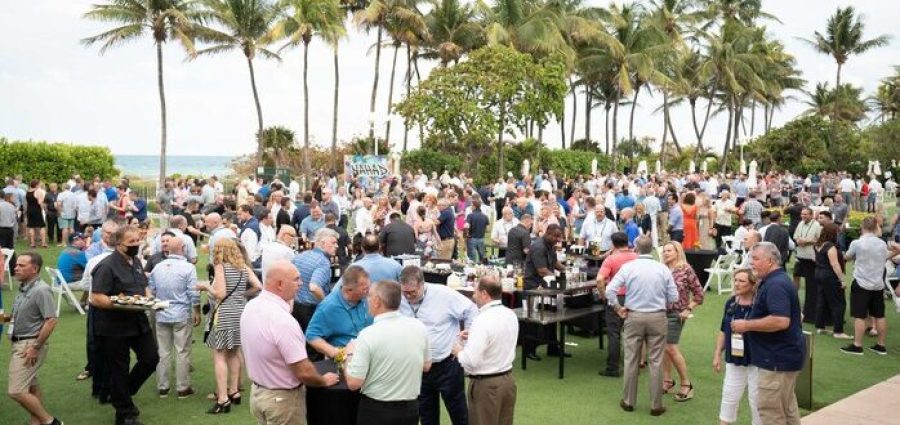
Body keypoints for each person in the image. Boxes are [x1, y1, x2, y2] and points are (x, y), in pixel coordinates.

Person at [240, 260, 340, 425]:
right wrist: (323, 380)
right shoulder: (283, 321)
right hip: (283, 400)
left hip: (259, 393)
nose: (301, 283)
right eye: (296, 279)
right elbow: (304, 371)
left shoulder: (252, 306)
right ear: (280, 284)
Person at [90, 226, 161, 425]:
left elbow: (143, 286)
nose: (136, 245)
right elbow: (96, 298)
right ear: (119, 244)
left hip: (138, 321)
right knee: (118, 368)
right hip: (114, 325)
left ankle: (120, 392)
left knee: (150, 358)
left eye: (138, 241)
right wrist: (120, 302)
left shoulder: (136, 261)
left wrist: (149, 299)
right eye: (131, 243)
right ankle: (125, 413)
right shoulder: (107, 266)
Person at [731, 242, 804, 425]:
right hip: (782, 358)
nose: (751, 263)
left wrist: (746, 325)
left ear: (770, 261)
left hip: (776, 360)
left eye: (755, 258)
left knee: (772, 413)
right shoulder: (774, 281)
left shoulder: (776, 284)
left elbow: (781, 320)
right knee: (787, 410)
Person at [606, 235, 678, 416]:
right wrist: (664, 304)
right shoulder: (662, 269)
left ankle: (629, 401)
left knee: (631, 360)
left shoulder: (628, 267)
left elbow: (609, 290)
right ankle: (656, 405)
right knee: (656, 361)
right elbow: (674, 297)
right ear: (652, 249)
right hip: (657, 316)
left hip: (634, 315)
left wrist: (617, 307)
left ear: (635, 249)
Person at [399, 265, 478, 425]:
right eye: (405, 292)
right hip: (418, 367)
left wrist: (463, 342)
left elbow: (471, 310)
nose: (408, 296)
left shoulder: (443, 294)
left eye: (412, 292)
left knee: (459, 413)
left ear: (422, 284)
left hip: (447, 364)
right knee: (426, 415)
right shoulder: (400, 298)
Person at [345, 280, 431, 425]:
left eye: (369, 296)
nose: (367, 300)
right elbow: (426, 365)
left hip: (377, 410)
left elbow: (354, 383)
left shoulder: (368, 335)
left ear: (377, 301)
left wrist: (349, 354)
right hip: (410, 409)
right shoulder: (419, 327)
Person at [197, 237, 263, 414]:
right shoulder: (243, 267)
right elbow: (259, 286)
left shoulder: (220, 266)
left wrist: (205, 287)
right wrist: (242, 294)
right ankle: (234, 392)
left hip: (224, 313)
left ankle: (223, 399)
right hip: (240, 312)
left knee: (219, 355)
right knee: (233, 353)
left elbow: (220, 293)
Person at [452, 275, 518, 425]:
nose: (473, 296)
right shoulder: (510, 314)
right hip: (507, 381)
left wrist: (457, 351)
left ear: (484, 294)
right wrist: (474, 336)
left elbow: (470, 361)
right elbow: (499, 337)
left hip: (486, 385)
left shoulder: (481, 320)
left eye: (475, 292)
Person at [6, 252, 64, 425]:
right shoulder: (24, 287)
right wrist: (3, 318)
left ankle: (50, 421)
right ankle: (36, 422)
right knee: (31, 385)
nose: (16, 268)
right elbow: (18, 316)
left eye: (21, 265)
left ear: (34, 269)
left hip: (29, 345)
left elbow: (51, 320)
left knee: (16, 391)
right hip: (21, 343)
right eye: (16, 265)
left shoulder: (41, 290)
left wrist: (35, 347)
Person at [148, 237, 201, 399]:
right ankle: (183, 387)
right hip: (181, 313)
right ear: (183, 248)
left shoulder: (158, 267)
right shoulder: (188, 268)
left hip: (162, 312)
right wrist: (197, 311)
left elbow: (152, 290)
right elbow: (194, 292)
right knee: (182, 351)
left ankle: (163, 387)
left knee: (163, 351)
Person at [713, 269, 761, 425]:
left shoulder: (760, 304)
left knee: (756, 399)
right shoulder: (731, 302)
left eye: (742, 281)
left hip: (757, 359)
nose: (737, 284)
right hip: (734, 357)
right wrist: (717, 354)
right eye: (736, 280)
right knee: (729, 395)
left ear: (753, 285)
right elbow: (722, 330)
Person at [660, 242, 704, 401]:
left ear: (678, 252)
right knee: (664, 347)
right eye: (664, 251)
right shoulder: (662, 269)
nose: (666, 253)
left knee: (670, 347)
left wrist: (688, 308)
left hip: (676, 314)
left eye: (669, 250)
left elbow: (699, 294)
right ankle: (667, 380)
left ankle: (686, 384)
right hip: (660, 312)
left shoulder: (686, 269)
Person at [841, 216, 891, 355]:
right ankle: (881, 345)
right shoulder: (881, 243)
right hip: (877, 284)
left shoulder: (857, 243)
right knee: (879, 315)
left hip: (862, 282)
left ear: (862, 227)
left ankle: (857, 345)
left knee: (859, 315)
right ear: (875, 227)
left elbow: (847, 257)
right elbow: (885, 256)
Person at [306, 265, 373, 358]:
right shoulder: (328, 307)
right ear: (349, 290)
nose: (368, 291)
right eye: (364, 289)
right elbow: (311, 336)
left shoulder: (365, 298)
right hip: (347, 360)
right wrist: (335, 353)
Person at [595, 232, 638, 377]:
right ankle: (634, 366)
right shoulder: (636, 257)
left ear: (613, 244)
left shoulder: (611, 259)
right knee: (633, 333)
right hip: (635, 298)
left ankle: (613, 367)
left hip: (617, 298)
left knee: (614, 333)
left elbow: (600, 280)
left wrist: (603, 295)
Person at [522, 224, 566, 360]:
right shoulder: (538, 247)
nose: (558, 239)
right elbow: (542, 270)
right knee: (534, 320)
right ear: (548, 234)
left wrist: (566, 270)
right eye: (556, 236)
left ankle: (553, 347)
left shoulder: (549, 245)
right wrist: (557, 277)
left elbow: (555, 262)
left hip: (546, 286)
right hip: (534, 287)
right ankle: (529, 351)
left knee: (551, 316)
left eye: (559, 236)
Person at [291, 228, 339, 332]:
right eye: (333, 243)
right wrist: (326, 304)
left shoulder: (300, 256)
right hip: (311, 311)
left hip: (295, 307)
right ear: (322, 243)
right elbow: (314, 287)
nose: (337, 246)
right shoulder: (323, 262)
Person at [812, 223, 852, 339]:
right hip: (829, 275)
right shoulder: (830, 247)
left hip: (818, 273)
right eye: (837, 232)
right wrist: (842, 280)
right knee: (839, 303)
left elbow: (815, 259)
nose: (838, 234)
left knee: (822, 300)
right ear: (833, 233)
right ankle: (838, 331)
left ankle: (820, 326)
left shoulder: (818, 244)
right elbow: (835, 265)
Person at [793, 207, 822, 322]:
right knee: (797, 281)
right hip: (800, 257)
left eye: (805, 214)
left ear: (811, 215)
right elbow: (795, 236)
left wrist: (807, 242)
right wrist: (798, 241)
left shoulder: (817, 225)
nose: (803, 216)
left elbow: (820, 240)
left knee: (811, 287)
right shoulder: (800, 223)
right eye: (802, 214)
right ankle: (800, 310)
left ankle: (811, 314)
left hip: (811, 259)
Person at [465, 198, 490, 263]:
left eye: (471, 205)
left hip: (472, 239)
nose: (470, 207)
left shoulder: (470, 216)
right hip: (481, 238)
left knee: (472, 259)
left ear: (474, 206)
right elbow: (487, 230)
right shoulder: (485, 216)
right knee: (482, 258)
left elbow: (467, 226)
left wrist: (465, 235)